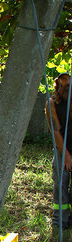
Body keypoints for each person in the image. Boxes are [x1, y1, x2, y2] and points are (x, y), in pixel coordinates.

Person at [45, 72, 72, 229]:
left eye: (69, 85)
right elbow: (56, 131)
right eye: (63, 86)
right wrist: (67, 156)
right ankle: (60, 221)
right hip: (62, 149)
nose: (66, 89)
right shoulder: (52, 104)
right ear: (58, 87)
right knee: (60, 183)